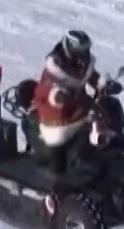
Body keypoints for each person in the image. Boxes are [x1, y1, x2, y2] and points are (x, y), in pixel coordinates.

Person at [30, 30, 112, 180]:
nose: (85, 54)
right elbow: (46, 90)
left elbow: (91, 77)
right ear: (70, 49)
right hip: (57, 116)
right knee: (61, 143)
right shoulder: (55, 70)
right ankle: (62, 178)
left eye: (86, 50)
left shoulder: (81, 64)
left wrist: (104, 84)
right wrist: (58, 96)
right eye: (81, 51)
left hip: (78, 109)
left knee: (104, 120)